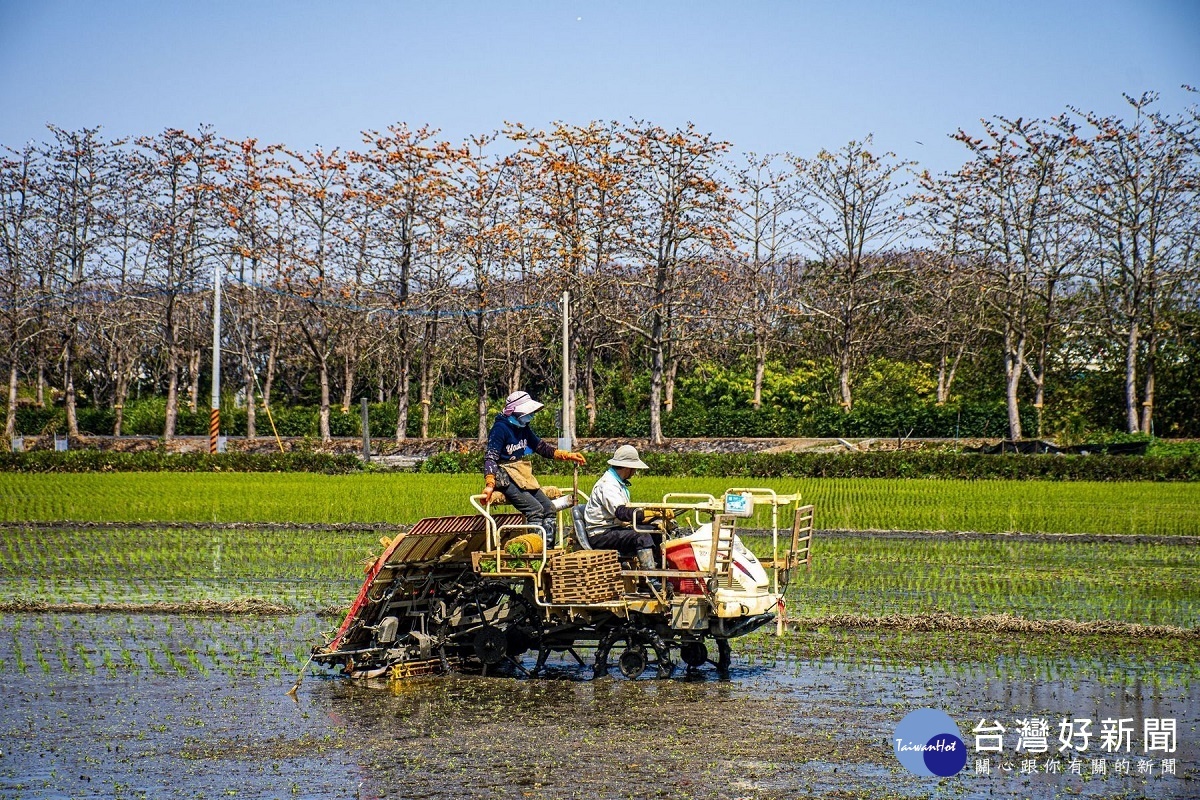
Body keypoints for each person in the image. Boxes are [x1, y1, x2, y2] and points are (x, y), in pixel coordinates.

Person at [482, 390, 586, 551]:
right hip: (505, 477)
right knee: (535, 510)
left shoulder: (524, 428)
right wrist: (489, 484)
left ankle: (548, 550)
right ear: (516, 412)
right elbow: (491, 457)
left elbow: (541, 447)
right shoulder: (500, 429)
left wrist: (567, 455)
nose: (530, 416)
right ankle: (535, 552)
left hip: (521, 474)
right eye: (527, 413)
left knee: (549, 508)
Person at [583, 444, 672, 573]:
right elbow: (622, 513)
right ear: (628, 468)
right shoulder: (607, 485)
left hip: (615, 529)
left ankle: (658, 577)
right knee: (641, 537)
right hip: (601, 534)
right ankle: (653, 581)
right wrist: (650, 512)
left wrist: (655, 515)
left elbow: (628, 515)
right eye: (634, 469)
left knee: (656, 532)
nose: (635, 472)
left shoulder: (618, 484)